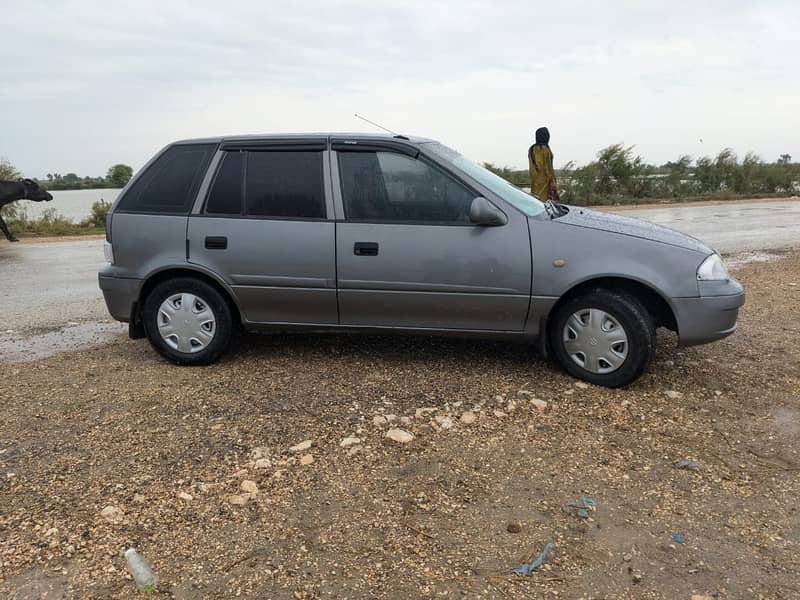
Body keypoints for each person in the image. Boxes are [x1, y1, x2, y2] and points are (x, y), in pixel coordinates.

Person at [528, 127, 559, 202]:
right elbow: (546, 167)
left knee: (536, 201)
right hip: (545, 183)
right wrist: (552, 181)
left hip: (535, 181)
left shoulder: (531, 149)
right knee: (545, 204)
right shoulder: (544, 149)